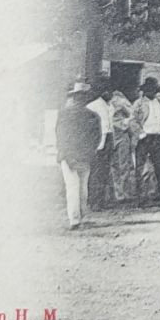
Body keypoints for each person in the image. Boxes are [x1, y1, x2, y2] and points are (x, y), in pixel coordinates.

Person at [55, 83, 103, 229]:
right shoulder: (92, 115)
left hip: (69, 156)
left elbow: (60, 136)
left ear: (73, 98)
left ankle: (75, 219)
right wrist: (90, 152)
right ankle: (82, 216)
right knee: (83, 188)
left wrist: (66, 154)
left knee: (72, 188)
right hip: (85, 156)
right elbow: (97, 138)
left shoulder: (63, 114)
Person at [134, 78, 160, 205]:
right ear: (144, 91)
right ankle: (142, 198)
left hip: (158, 138)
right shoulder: (138, 104)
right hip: (145, 139)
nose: (151, 92)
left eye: (153, 90)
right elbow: (133, 120)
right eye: (148, 90)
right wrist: (141, 133)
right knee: (142, 169)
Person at [107, 88, 139, 205]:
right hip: (110, 137)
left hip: (121, 135)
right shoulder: (105, 104)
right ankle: (117, 193)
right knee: (114, 165)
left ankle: (125, 193)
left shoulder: (120, 100)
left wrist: (124, 123)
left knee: (123, 165)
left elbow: (132, 115)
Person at [84, 86, 115, 210]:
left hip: (108, 139)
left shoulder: (110, 106)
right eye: (107, 91)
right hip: (97, 141)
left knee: (104, 172)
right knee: (95, 172)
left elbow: (110, 125)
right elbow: (88, 128)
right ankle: (93, 201)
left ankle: (102, 200)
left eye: (111, 91)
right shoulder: (93, 106)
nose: (110, 93)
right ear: (102, 92)